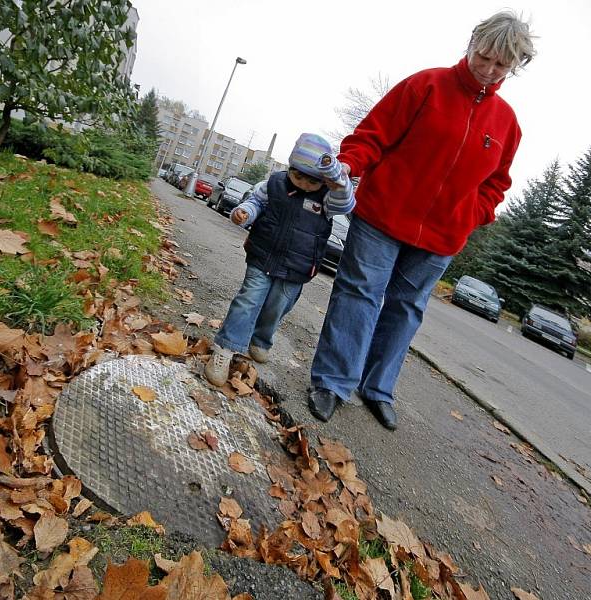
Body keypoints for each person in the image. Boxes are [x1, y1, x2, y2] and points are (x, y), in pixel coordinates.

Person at [308, 11, 536, 429]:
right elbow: (371, 136)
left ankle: (377, 387)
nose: (487, 70)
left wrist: (472, 215)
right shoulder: (426, 84)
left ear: (514, 66)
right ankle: (332, 382)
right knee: (359, 295)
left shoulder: (508, 123)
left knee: (407, 308)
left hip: (442, 237)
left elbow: (497, 185)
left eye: (500, 65)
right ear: (472, 43)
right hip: (381, 216)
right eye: (483, 57)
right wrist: (345, 168)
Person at [205, 133, 355, 387]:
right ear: (290, 168)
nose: (305, 185)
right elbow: (255, 202)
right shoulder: (273, 184)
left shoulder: (328, 198)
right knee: (248, 300)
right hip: (263, 255)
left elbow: (346, 203)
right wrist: (244, 213)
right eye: (298, 177)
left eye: (313, 181)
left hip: (298, 266)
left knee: (277, 307)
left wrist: (337, 178)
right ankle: (225, 349)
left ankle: (260, 339)